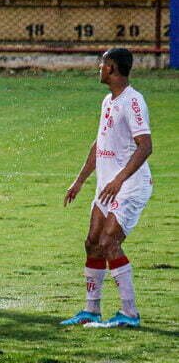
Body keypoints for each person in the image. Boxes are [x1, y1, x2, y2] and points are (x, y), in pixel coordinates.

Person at [61, 48, 153, 329]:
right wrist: (80, 180)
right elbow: (99, 144)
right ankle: (91, 310)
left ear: (112, 68)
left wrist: (119, 180)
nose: (99, 68)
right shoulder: (108, 100)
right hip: (107, 187)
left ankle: (130, 313)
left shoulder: (133, 101)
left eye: (102, 64)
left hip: (129, 187)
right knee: (92, 243)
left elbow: (145, 146)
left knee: (109, 243)